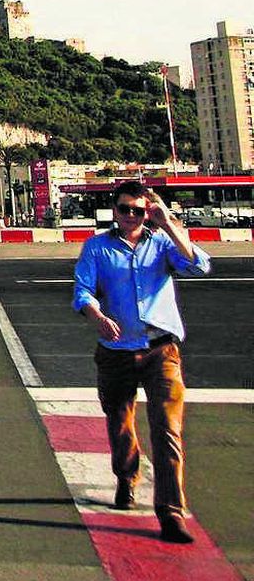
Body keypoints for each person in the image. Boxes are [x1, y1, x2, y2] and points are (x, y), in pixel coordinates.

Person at [73, 180, 210, 544]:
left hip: (161, 349)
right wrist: (97, 316)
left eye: (139, 210)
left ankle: (170, 512)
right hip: (116, 350)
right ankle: (126, 476)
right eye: (125, 209)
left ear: (148, 211)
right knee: (121, 423)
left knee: (168, 430)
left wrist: (169, 224)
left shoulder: (163, 242)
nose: (132, 216)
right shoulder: (97, 247)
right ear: (114, 211)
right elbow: (82, 290)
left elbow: (199, 267)